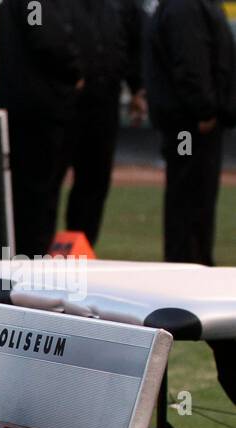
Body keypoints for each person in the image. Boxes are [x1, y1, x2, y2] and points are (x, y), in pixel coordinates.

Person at [144, 0, 236, 266]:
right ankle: (188, 265)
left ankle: (192, 262)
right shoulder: (184, 7)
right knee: (190, 192)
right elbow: (189, 62)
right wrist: (204, 110)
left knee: (194, 195)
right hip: (190, 127)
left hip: (190, 121)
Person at [0, 0, 83, 256]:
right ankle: (33, 260)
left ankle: (15, 254)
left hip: (11, 106)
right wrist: (75, 71)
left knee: (17, 193)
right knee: (39, 198)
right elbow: (48, 39)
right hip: (38, 109)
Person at [61, 0, 145, 248]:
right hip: (65, 100)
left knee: (95, 180)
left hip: (105, 100)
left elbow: (131, 43)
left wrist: (137, 88)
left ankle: (82, 247)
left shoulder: (122, 6)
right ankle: (34, 249)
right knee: (47, 182)